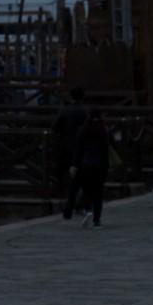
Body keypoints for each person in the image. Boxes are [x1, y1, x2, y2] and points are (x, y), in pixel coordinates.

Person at [51, 88, 89, 219]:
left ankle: (71, 201)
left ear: (71, 96)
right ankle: (79, 203)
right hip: (82, 147)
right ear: (83, 97)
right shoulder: (85, 111)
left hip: (66, 147)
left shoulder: (65, 110)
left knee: (63, 173)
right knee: (82, 177)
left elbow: (55, 127)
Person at [71, 108, 111, 229]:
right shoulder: (104, 131)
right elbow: (112, 146)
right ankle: (97, 220)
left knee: (87, 191)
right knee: (98, 193)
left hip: (85, 165)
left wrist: (74, 165)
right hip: (100, 165)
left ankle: (88, 210)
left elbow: (78, 149)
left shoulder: (82, 130)